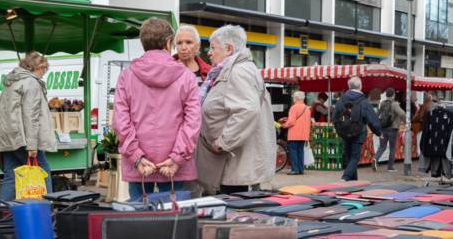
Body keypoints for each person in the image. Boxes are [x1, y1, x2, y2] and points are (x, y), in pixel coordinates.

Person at [113, 17, 201, 201]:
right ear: (169, 43)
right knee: (172, 219)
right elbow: (192, 122)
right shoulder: (186, 77)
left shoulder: (127, 76)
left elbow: (121, 122)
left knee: (138, 219)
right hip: (172, 162)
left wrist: (136, 156)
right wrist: (177, 157)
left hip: (139, 162)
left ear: (143, 43)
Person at [196, 25, 276, 194]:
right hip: (234, 162)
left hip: (237, 165)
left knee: (235, 213)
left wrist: (223, 142)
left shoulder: (238, 71)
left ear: (229, 49)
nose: (209, 52)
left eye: (213, 48)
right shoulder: (236, 69)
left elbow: (247, 110)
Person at [0, 52, 57, 201]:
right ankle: (47, 209)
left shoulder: (12, 81)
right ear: (38, 67)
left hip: (8, 136)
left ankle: (2, 212)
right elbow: (31, 115)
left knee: (11, 175)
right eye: (44, 69)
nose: (43, 74)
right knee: (43, 171)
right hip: (24, 138)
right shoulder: (31, 82)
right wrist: (32, 145)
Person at [332, 76, 381, 181]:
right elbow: (371, 118)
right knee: (355, 157)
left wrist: (339, 128)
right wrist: (378, 132)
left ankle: (353, 181)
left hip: (345, 132)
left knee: (349, 156)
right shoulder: (363, 102)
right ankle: (345, 177)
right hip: (358, 132)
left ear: (348, 86)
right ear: (360, 86)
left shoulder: (341, 100)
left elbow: (335, 116)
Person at [374, 88, 406, 172]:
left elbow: (378, 115)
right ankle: (390, 167)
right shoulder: (395, 104)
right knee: (392, 148)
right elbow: (402, 113)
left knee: (382, 147)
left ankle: (375, 158)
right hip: (392, 129)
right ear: (393, 95)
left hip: (383, 128)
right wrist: (406, 121)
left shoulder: (382, 103)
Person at [280, 91, 312, 175]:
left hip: (294, 133)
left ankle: (295, 169)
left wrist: (284, 125)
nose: (293, 99)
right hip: (304, 133)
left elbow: (291, 122)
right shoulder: (307, 108)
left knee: (293, 151)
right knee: (300, 151)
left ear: (296, 98)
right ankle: (301, 169)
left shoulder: (294, 108)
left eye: (293, 97)